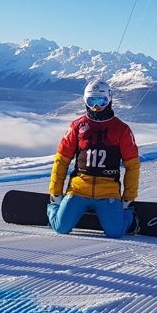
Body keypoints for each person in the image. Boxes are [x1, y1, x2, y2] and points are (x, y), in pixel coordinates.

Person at [48, 80, 140, 238]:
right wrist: (55, 193)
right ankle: (54, 208)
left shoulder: (121, 130)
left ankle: (128, 215)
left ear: (109, 100)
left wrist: (128, 198)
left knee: (115, 232)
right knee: (61, 227)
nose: (96, 107)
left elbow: (132, 166)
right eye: (92, 101)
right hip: (78, 189)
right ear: (85, 101)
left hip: (108, 192)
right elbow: (61, 161)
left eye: (101, 101)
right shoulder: (77, 127)